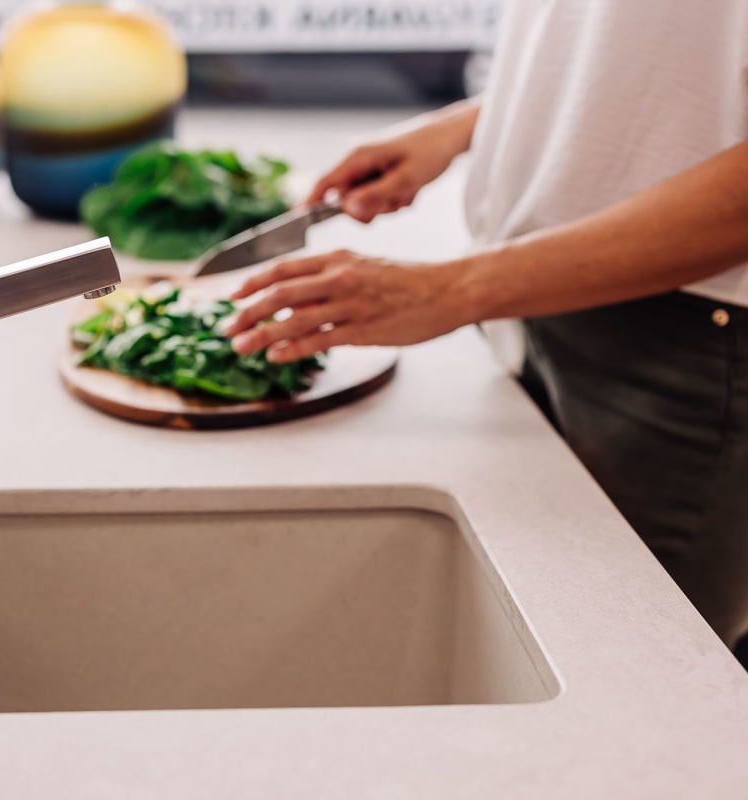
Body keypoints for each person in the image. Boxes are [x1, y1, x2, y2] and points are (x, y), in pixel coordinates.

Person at [223, 0, 748, 660]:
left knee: (645, 680)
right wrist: (478, 123)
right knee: (554, 648)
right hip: (543, 291)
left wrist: (454, 288)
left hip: (683, 337)